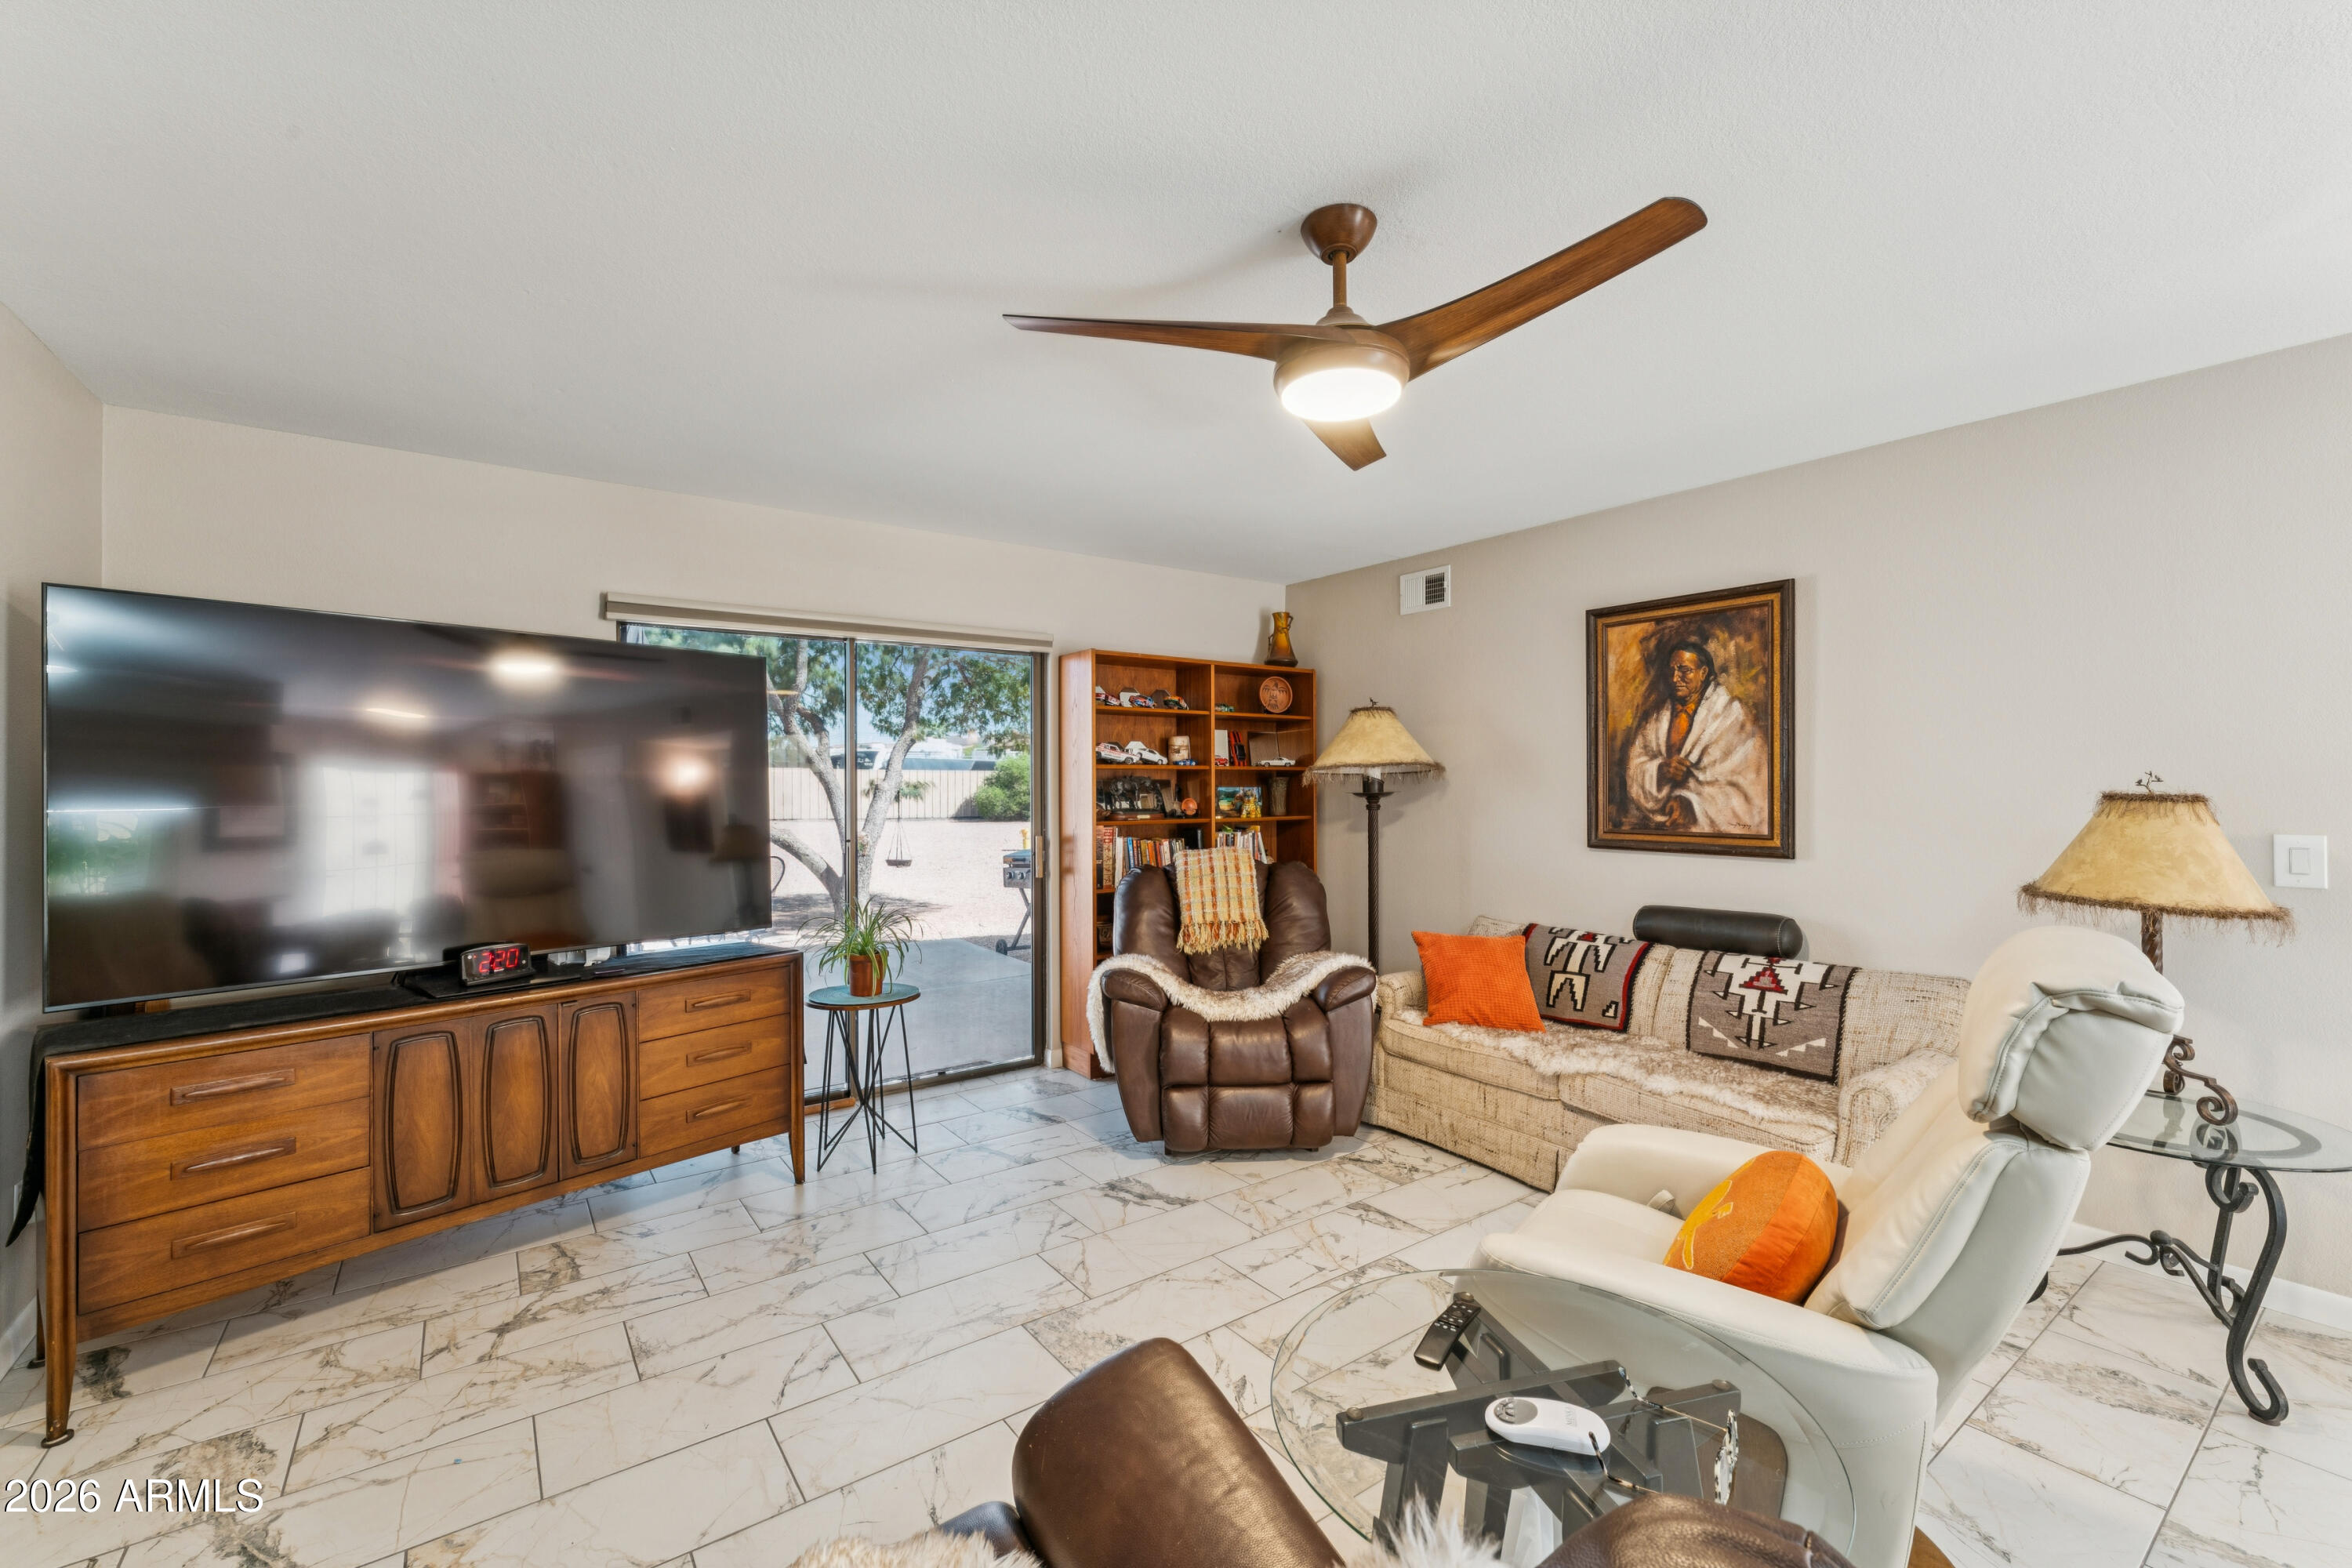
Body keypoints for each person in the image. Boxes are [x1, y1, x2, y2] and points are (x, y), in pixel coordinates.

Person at [1620, 640, 1769, 833]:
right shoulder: (1656, 720)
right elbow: (1635, 765)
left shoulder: (1732, 716)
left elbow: (1749, 785)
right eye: (1672, 670)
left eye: (1684, 670)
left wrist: (1693, 805)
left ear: (1704, 673)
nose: (1675, 678)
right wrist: (1660, 770)